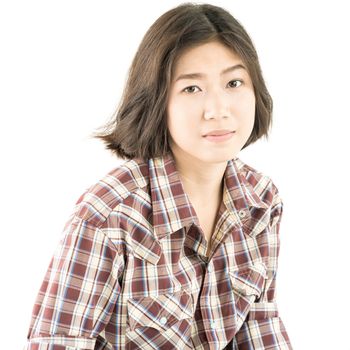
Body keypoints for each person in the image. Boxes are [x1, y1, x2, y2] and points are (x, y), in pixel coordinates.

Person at [24, 2, 293, 349]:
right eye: (191, 89)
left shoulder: (261, 201)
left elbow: (259, 324)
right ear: (156, 100)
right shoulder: (109, 214)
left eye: (234, 82)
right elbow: (57, 342)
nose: (218, 110)